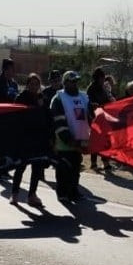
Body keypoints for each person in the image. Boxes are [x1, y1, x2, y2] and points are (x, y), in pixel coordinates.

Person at [49, 71, 91, 204]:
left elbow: (89, 116)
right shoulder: (59, 99)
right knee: (63, 168)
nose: (75, 84)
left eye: (76, 81)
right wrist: (68, 138)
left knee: (75, 167)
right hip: (64, 142)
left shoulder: (84, 97)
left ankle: (74, 191)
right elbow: (58, 121)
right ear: (65, 83)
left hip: (80, 140)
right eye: (72, 81)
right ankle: (62, 193)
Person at [10, 73, 49, 208]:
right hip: (25, 138)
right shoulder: (21, 98)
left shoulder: (41, 98)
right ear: (27, 85)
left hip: (38, 138)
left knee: (37, 168)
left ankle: (32, 194)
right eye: (32, 84)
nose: (34, 86)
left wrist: (41, 105)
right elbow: (16, 117)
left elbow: (45, 116)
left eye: (36, 84)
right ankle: (14, 193)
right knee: (21, 167)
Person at [86, 67, 115, 173]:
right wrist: (94, 106)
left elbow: (108, 99)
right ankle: (94, 162)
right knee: (95, 140)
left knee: (105, 140)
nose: (103, 80)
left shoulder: (104, 88)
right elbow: (88, 102)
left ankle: (105, 162)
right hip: (94, 117)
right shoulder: (91, 88)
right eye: (101, 78)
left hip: (104, 117)